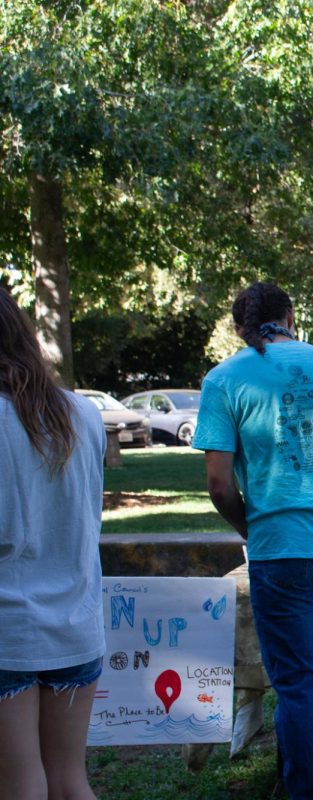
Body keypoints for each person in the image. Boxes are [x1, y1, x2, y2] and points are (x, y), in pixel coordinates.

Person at [194, 282, 313, 800]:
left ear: (240, 328)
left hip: (278, 547)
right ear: (290, 315)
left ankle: (307, 792)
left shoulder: (223, 380)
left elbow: (218, 485)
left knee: (297, 684)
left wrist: (250, 527)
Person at [0, 287, 107, 800]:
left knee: (19, 782)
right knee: (68, 779)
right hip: (75, 621)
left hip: (11, 629)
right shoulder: (82, 413)